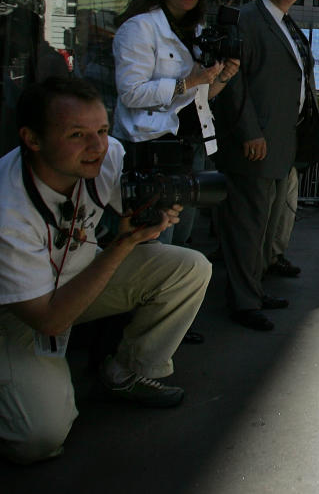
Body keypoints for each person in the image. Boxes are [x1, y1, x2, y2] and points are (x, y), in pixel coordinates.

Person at [0, 78, 210, 464]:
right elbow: (49, 318)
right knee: (39, 438)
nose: (97, 147)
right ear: (32, 139)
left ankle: (124, 372)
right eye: (77, 135)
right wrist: (124, 243)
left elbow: (128, 207)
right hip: (21, 311)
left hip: (78, 275)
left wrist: (156, 210)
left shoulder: (107, 156)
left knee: (188, 267)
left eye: (102, 130)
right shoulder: (8, 207)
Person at [213, 0, 318, 332]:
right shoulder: (247, 20)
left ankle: (253, 291)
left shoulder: (288, 26)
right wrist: (249, 132)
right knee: (247, 228)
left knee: (265, 228)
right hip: (253, 146)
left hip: (281, 145)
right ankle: (242, 301)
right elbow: (232, 83)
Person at [112, 0, 239, 246]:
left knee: (180, 237)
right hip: (149, 152)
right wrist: (187, 82)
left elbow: (200, 95)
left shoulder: (195, 30)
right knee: (155, 242)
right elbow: (130, 93)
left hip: (188, 147)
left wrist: (221, 77)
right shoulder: (140, 28)